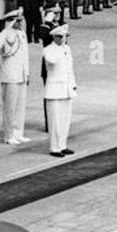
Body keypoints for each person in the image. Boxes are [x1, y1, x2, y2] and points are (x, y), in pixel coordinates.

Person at [0, 10, 31, 145]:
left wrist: (27, 73)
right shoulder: (5, 33)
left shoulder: (22, 34)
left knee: (20, 106)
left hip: (21, 74)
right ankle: (9, 135)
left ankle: (18, 132)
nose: (20, 23)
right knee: (10, 106)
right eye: (18, 21)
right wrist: (4, 51)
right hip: (10, 75)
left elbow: (25, 56)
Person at [42, 24, 76, 157]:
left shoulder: (67, 49)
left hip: (66, 88)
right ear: (54, 37)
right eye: (60, 37)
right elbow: (52, 61)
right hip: (55, 90)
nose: (63, 39)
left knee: (65, 120)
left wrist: (73, 84)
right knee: (55, 121)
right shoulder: (49, 50)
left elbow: (70, 69)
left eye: (65, 37)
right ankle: (54, 147)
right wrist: (60, 49)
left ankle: (63, 144)